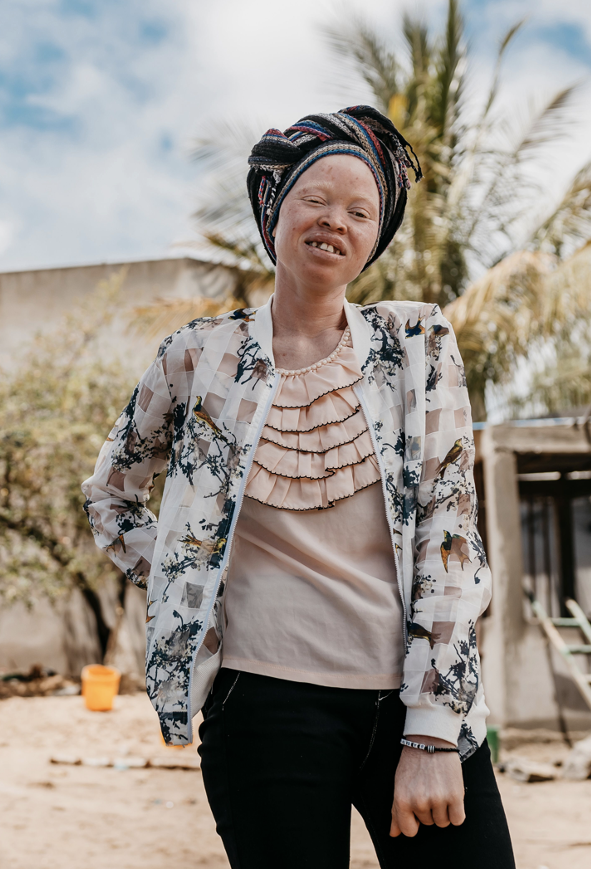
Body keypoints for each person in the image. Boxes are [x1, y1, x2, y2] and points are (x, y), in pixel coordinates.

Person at [82, 105, 514, 869]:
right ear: (273, 207)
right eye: (316, 199)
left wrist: (431, 731)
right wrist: (194, 580)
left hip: (414, 701)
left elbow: (450, 536)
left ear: (376, 236)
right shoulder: (196, 356)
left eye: (360, 210)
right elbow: (112, 497)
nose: (334, 221)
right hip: (261, 703)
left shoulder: (419, 345)